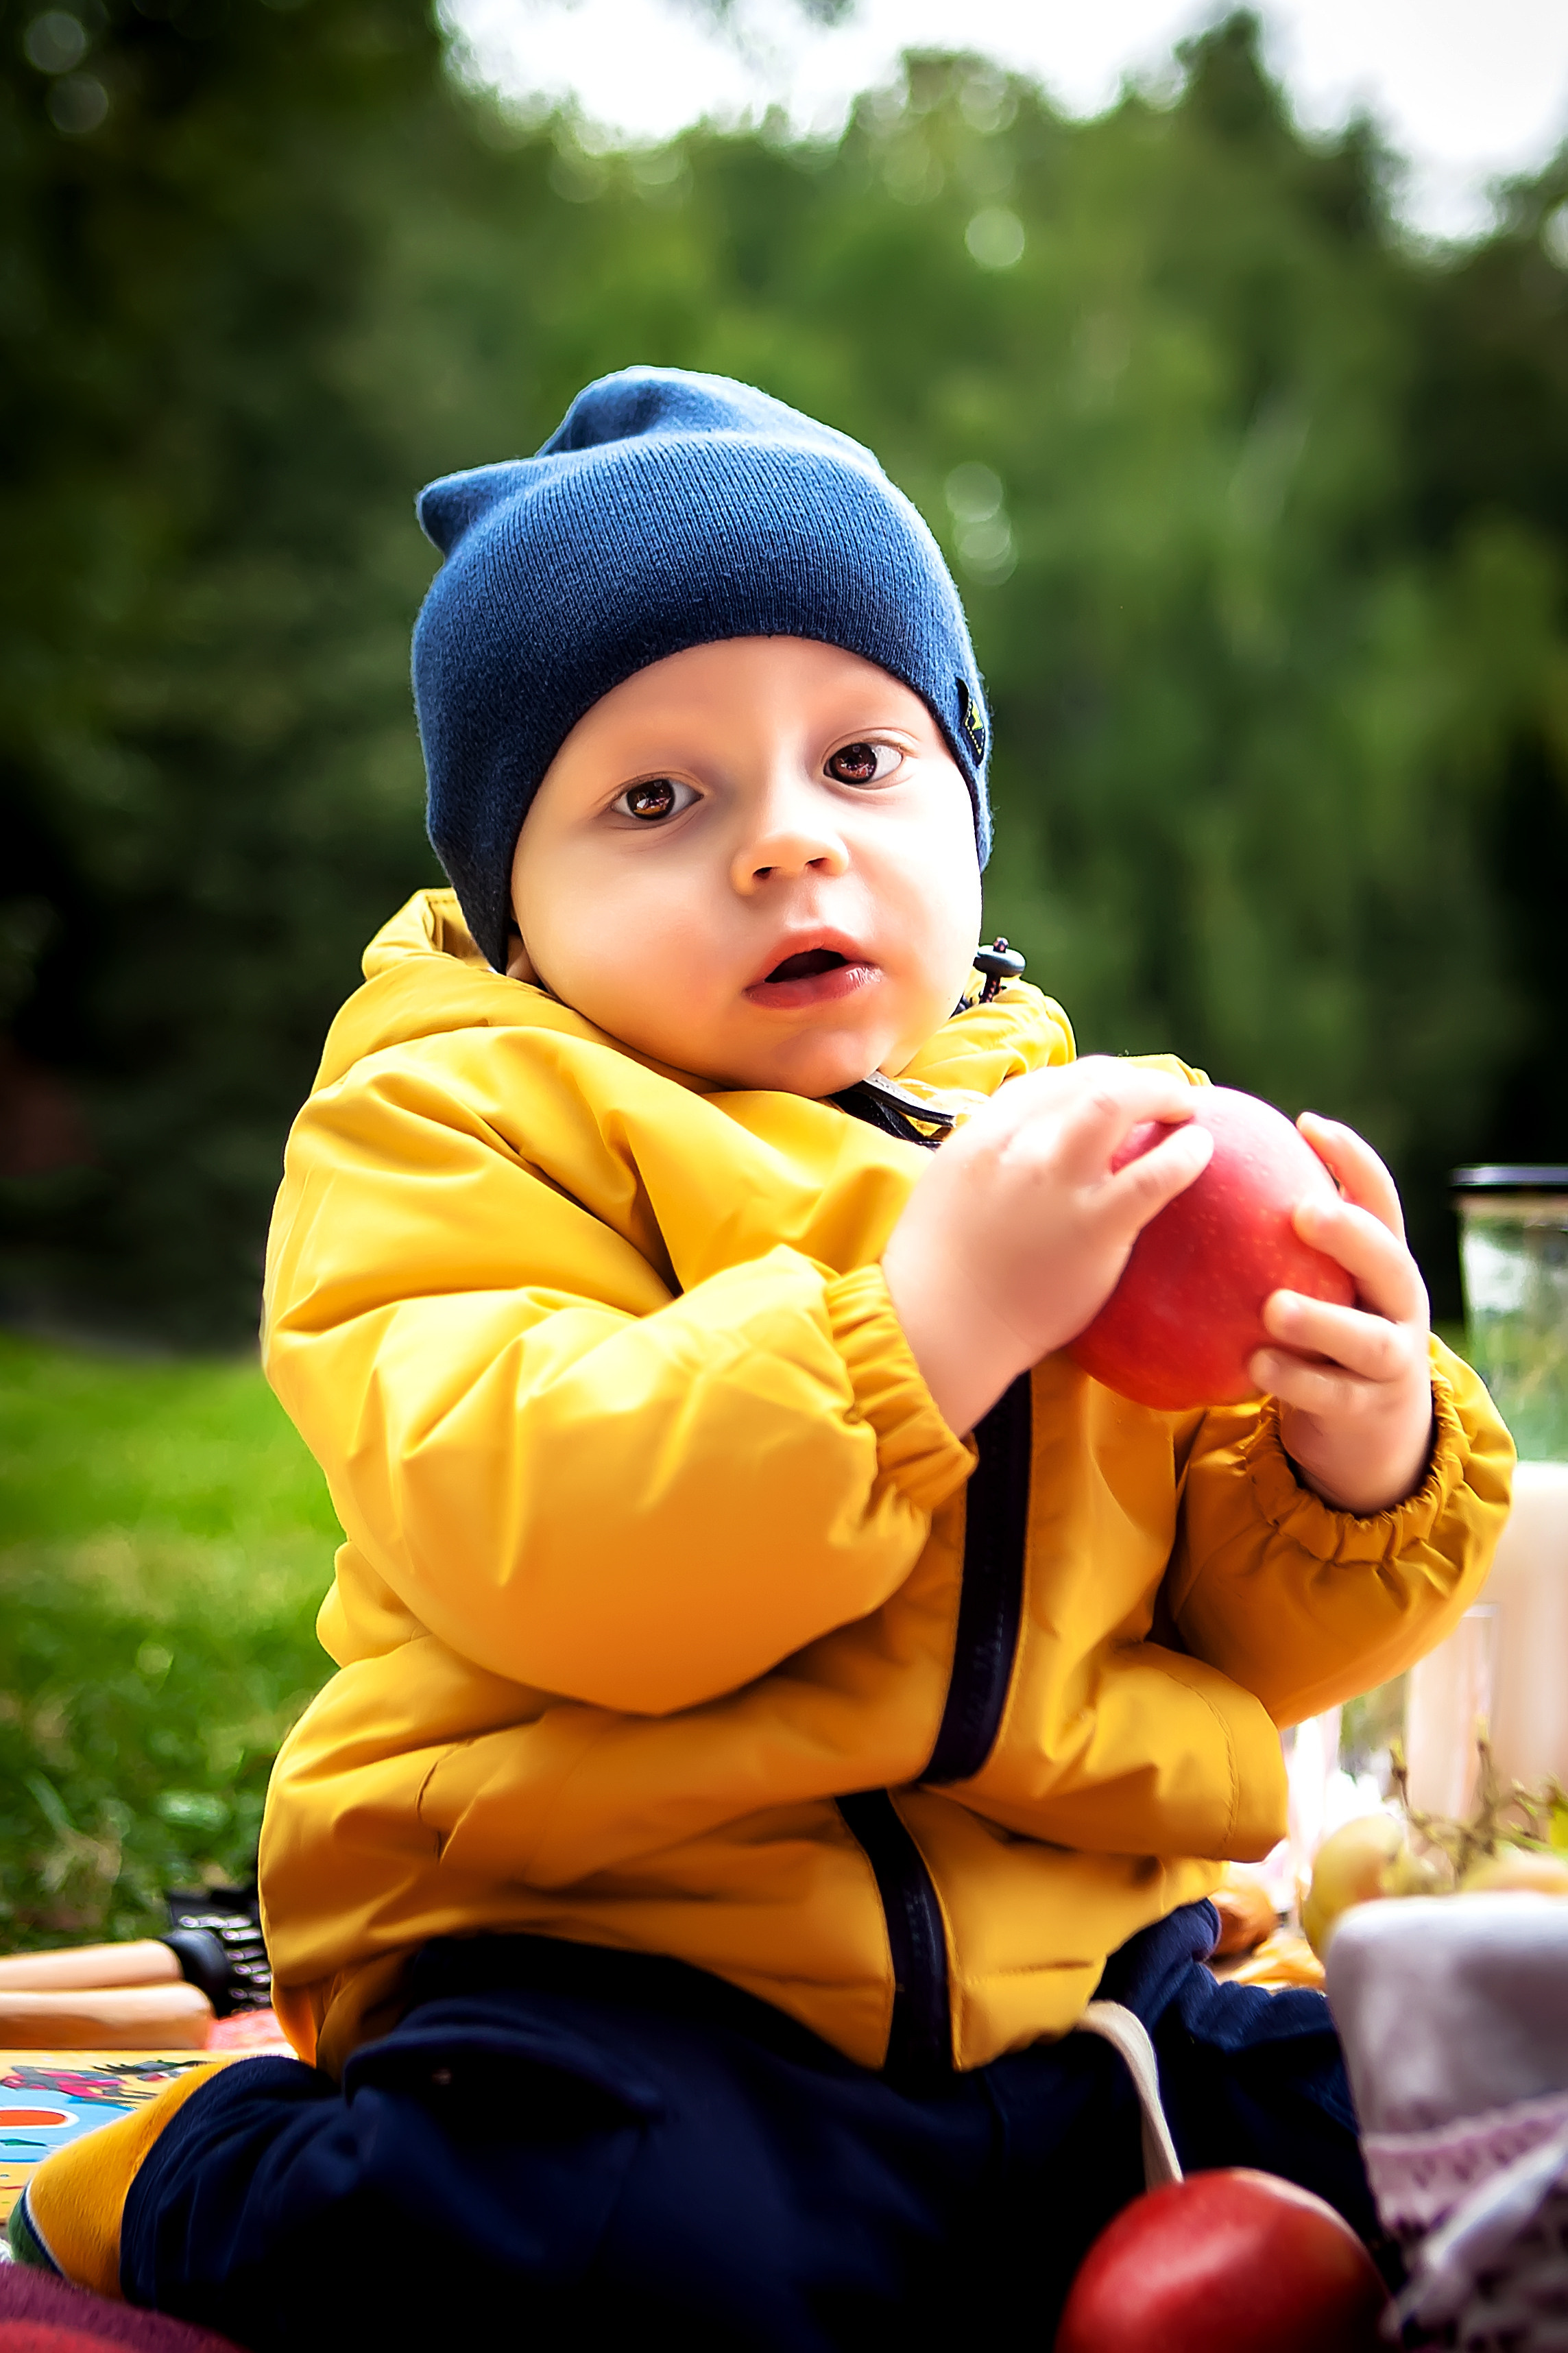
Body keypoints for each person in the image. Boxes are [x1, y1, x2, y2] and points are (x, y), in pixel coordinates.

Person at [11, 368, 1513, 2349]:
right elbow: (557, 1533)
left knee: (1451, 2134)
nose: (786, 844)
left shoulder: (1086, 1140)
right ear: (510, 905)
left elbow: (1247, 1655)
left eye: (865, 763)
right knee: (602, 2250)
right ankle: (208, 2164)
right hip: (629, 1977)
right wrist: (928, 1327)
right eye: (656, 796)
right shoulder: (455, 1133)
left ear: (970, 800)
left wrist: (1362, 1455)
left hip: (1086, 1986)